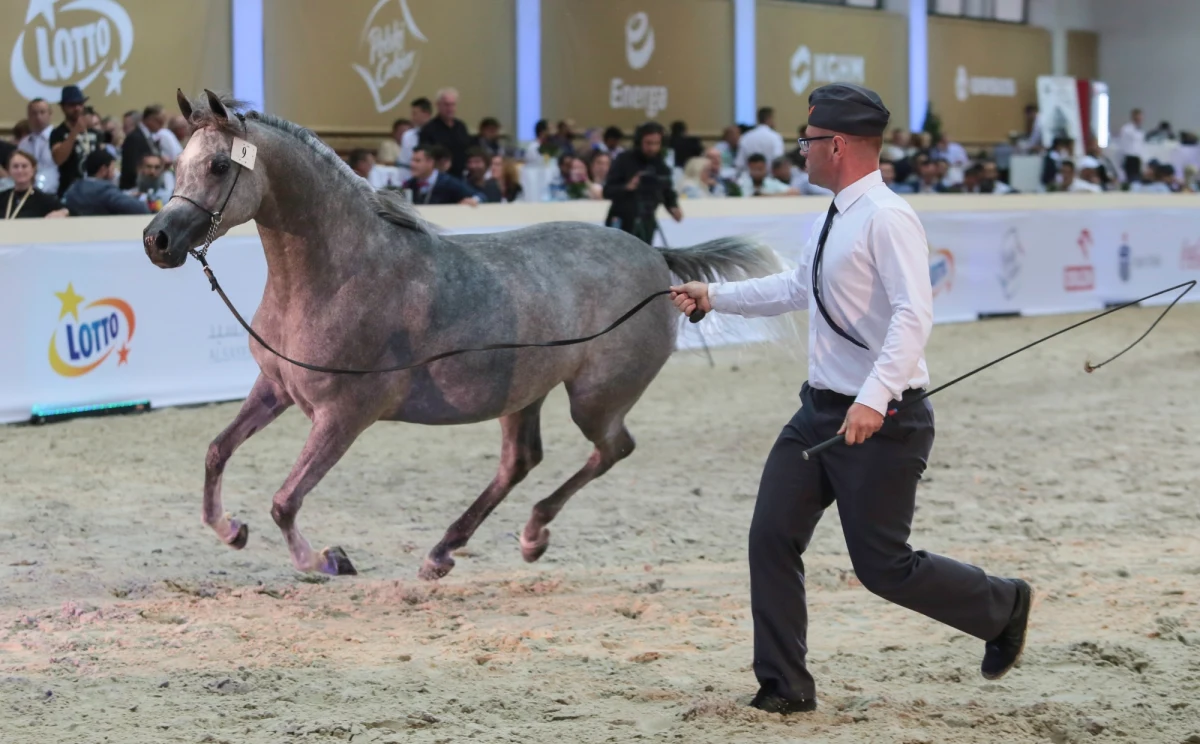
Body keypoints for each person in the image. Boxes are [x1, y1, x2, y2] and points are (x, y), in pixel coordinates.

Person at [668, 82, 1032, 715]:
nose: (799, 152)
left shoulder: (888, 218)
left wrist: (873, 397)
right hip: (818, 412)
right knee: (770, 538)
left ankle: (1004, 606)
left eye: (806, 142)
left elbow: (913, 317)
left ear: (836, 144)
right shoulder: (834, 213)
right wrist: (714, 296)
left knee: (884, 567)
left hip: (883, 420)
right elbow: (794, 286)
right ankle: (784, 686)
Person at [602, 121, 682, 244]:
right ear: (639, 142)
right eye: (648, 143)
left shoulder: (661, 166)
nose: (652, 148)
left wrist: (673, 207)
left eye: (656, 143)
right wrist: (628, 187)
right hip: (622, 221)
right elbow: (607, 191)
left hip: (647, 221)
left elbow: (667, 191)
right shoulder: (624, 160)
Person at [63, 149, 150, 216]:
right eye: (112, 169)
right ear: (103, 170)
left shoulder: (74, 187)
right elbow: (140, 208)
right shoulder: (104, 189)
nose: (115, 173)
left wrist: (124, 195)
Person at [2, 150, 68, 219]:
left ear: (33, 170)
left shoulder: (43, 200)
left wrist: (63, 212)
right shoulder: (2, 197)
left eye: (24, 166)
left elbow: (71, 212)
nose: (20, 170)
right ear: (9, 170)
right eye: (15, 166)